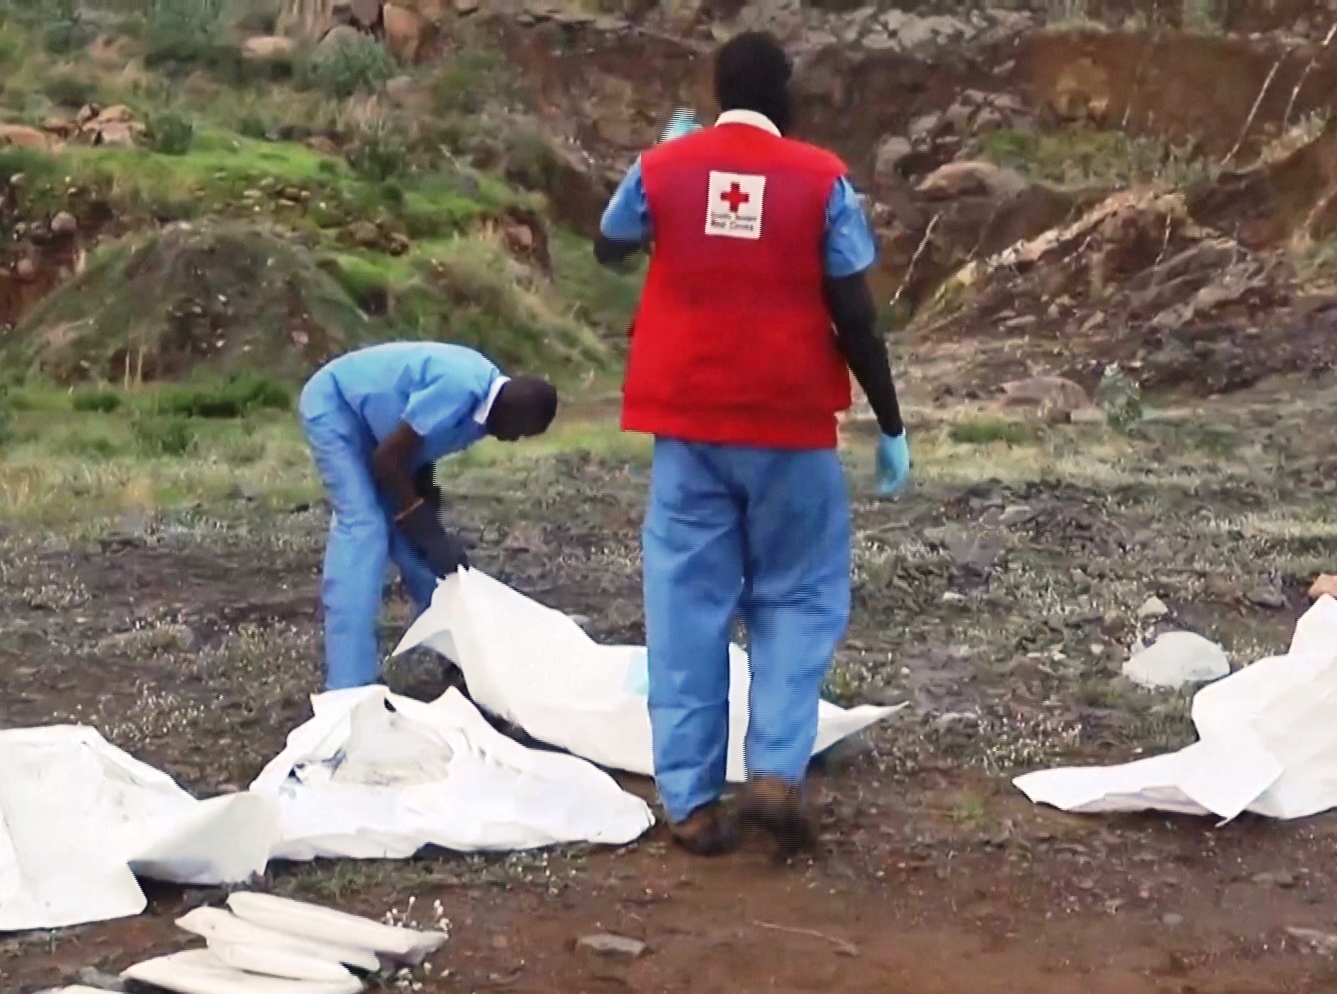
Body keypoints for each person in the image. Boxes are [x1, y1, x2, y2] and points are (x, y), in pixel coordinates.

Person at [595, 31, 908, 859]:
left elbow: (608, 244)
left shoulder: (663, 171)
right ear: (786, 90)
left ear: (715, 88)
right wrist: (891, 421)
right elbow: (855, 311)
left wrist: (656, 170)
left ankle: (691, 804)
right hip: (791, 426)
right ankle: (773, 773)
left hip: (689, 425)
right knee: (797, 598)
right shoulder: (822, 180)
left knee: (685, 610)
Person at [299, 342, 557, 691]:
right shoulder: (460, 387)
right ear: (514, 412)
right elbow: (386, 461)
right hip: (338, 407)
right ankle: (348, 686)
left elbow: (418, 454)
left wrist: (427, 523)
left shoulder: (482, 418)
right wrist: (429, 531)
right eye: (522, 432)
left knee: (423, 555)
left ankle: (457, 656)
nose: (514, 440)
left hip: (383, 439)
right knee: (365, 528)